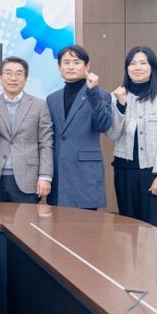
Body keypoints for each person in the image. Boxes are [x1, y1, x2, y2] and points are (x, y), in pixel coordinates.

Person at [108, 46, 157, 232]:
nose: (137, 67)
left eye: (142, 63)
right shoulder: (116, 97)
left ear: (152, 68)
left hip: (154, 173)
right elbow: (112, 134)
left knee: (156, 233)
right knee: (127, 233)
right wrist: (121, 106)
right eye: (132, 63)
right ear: (127, 68)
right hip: (125, 174)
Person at [0, 57, 53, 203]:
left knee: (27, 218)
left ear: (25, 79)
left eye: (19, 73)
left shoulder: (39, 105)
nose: (13, 78)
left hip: (28, 177)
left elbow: (46, 143)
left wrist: (45, 176)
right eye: (8, 73)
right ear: (0, 78)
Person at [47, 45, 112, 210]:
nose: (71, 67)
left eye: (76, 62)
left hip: (85, 174)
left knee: (85, 224)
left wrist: (93, 91)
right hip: (59, 173)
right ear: (59, 67)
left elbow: (103, 125)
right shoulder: (52, 98)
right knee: (57, 223)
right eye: (66, 62)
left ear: (87, 66)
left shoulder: (100, 94)